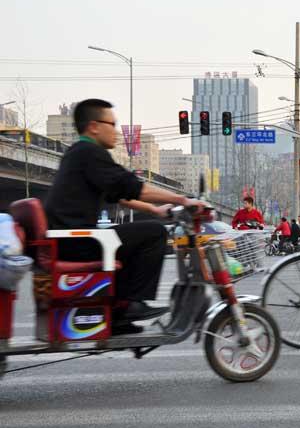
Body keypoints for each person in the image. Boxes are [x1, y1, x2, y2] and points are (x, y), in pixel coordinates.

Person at [44, 98, 206, 335]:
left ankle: (119, 311)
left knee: (137, 234)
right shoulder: (90, 152)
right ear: (94, 126)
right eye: (112, 124)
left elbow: (118, 194)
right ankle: (128, 305)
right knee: (154, 234)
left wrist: (155, 210)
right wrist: (182, 200)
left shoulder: (78, 153)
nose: (116, 131)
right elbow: (132, 186)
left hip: (69, 241)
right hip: (77, 243)